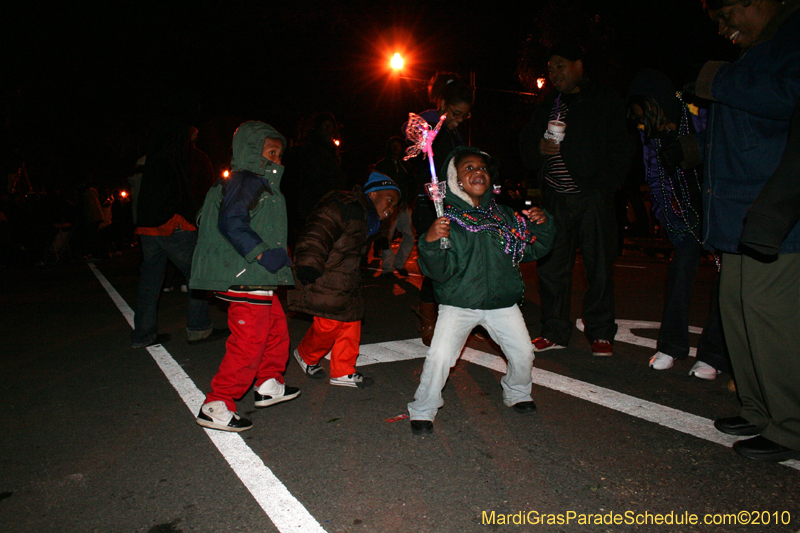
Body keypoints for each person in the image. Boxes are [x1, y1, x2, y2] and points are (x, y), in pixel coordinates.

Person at [696, 0, 800, 462]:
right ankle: (759, 410)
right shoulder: (760, 50)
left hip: (775, 208)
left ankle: (792, 425)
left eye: (726, 13)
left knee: (772, 319)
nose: (723, 28)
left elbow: (790, 97)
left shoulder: (793, 38)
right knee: (739, 314)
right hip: (738, 210)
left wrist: (719, 80)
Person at [407, 146, 555, 435]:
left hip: (502, 304)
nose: (478, 172)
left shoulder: (506, 217)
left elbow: (532, 249)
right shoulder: (447, 220)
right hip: (459, 303)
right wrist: (431, 242)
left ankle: (517, 392)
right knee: (440, 358)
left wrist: (543, 225)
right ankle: (423, 408)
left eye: (483, 168)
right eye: (469, 168)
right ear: (456, 180)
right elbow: (438, 272)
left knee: (523, 354)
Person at [519, 40, 634, 357]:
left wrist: (602, 189)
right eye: (550, 68)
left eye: (561, 66)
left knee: (599, 266)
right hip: (555, 197)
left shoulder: (604, 99)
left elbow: (622, 147)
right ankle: (554, 330)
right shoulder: (548, 103)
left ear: (579, 66)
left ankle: (601, 332)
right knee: (552, 266)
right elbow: (527, 140)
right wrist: (539, 147)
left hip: (591, 196)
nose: (554, 73)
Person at [191, 121, 298, 432]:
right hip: (246, 274)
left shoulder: (257, 182)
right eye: (271, 152)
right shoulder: (247, 179)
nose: (276, 159)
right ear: (251, 151)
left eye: (279, 154)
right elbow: (231, 222)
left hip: (256, 276)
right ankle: (217, 403)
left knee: (275, 329)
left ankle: (268, 384)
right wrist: (261, 253)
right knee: (249, 342)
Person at [627, 69, 730, 379]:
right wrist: (668, 219)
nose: (641, 124)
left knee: (726, 281)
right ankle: (671, 346)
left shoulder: (698, 114)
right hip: (684, 215)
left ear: (656, 104)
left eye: (643, 116)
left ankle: (713, 355)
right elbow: (654, 178)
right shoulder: (650, 134)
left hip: (717, 208)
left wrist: (686, 146)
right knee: (680, 272)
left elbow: (722, 150)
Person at [289, 171, 400, 388]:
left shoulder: (370, 220)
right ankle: (305, 354)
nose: (391, 208)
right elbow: (318, 231)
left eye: (394, 205)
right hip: (326, 273)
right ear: (373, 194)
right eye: (389, 200)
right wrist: (309, 262)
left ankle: (343, 370)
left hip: (347, 278)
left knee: (351, 322)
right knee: (329, 324)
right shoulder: (346, 205)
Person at [130, 119, 224, 349]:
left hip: (147, 226)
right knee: (196, 276)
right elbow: (198, 190)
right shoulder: (186, 157)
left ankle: (143, 334)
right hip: (175, 224)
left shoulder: (151, 158)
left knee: (150, 280)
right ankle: (198, 327)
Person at [406, 72, 474, 346]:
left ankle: (450, 319)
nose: (459, 119)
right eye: (456, 113)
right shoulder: (431, 123)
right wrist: (430, 127)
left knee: (455, 261)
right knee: (437, 261)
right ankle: (428, 319)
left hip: (451, 204)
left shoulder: (454, 131)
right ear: (443, 104)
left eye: (464, 116)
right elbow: (410, 131)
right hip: (429, 205)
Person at [375, 136, 416, 276]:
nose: (395, 147)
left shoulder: (406, 166)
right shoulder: (382, 166)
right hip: (388, 206)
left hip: (403, 206)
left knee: (409, 235)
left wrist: (407, 200)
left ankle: (399, 263)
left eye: (398, 145)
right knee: (387, 236)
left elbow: (413, 185)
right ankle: (387, 268)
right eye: (393, 144)